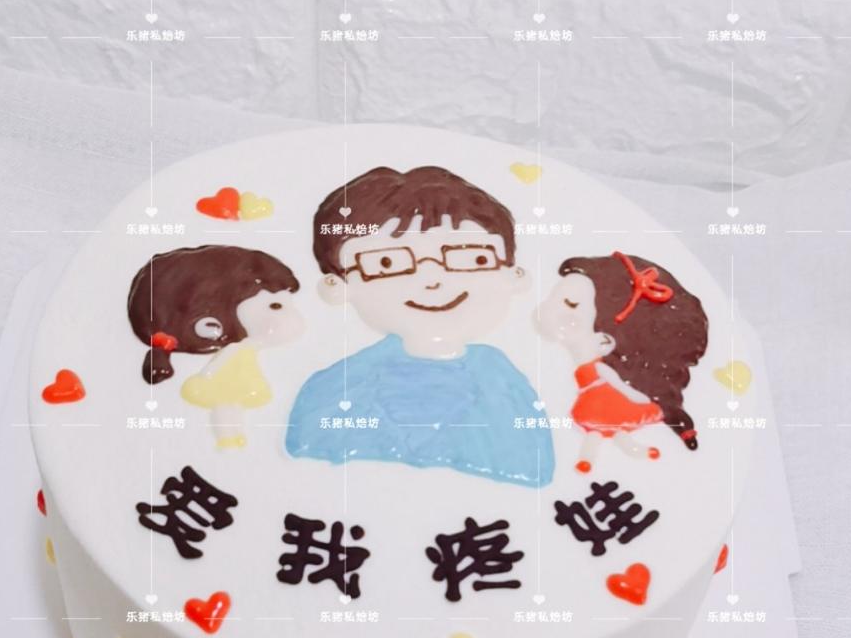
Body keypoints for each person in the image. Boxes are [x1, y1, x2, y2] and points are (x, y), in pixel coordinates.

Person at [284, 166, 554, 489]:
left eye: (472, 258)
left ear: (512, 274)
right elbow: (308, 466)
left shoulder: (504, 386)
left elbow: (531, 466)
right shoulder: (333, 392)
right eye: (387, 262)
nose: (432, 279)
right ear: (339, 285)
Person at [536, 252, 708, 472]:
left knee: (606, 430)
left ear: (605, 338)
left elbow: (617, 384)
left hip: (608, 404)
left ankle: (625, 451)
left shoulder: (602, 368)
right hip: (598, 404)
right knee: (603, 432)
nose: (544, 309)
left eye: (571, 304)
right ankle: (600, 455)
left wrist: (638, 398)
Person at [126, 245, 303, 447]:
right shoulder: (235, 345)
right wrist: (207, 375)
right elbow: (221, 360)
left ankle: (231, 437)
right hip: (223, 382)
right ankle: (228, 438)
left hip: (236, 382)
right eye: (275, 306)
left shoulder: (245, 345)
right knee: (226, 407)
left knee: (231, 408)